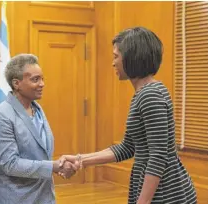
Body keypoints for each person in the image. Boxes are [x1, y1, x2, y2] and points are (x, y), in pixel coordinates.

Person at [59, 27, 197, 204]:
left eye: (116, 56)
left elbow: (158, 156)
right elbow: (128, 147)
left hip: (165, 193)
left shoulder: (150, 95)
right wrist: (80, 159)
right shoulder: (145, 93)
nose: (113, 63)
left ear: (132, 58)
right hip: (156, 188)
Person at [0, 54, 77, 204]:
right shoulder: (1, 116)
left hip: (45, 196)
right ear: (16, 83)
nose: (42, 84)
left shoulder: (37, 108)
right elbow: (10, 164)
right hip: (16, 198)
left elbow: (41, 152)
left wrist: (57, 166)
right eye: (35, 80)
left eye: (42, 79)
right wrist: (54, 166)